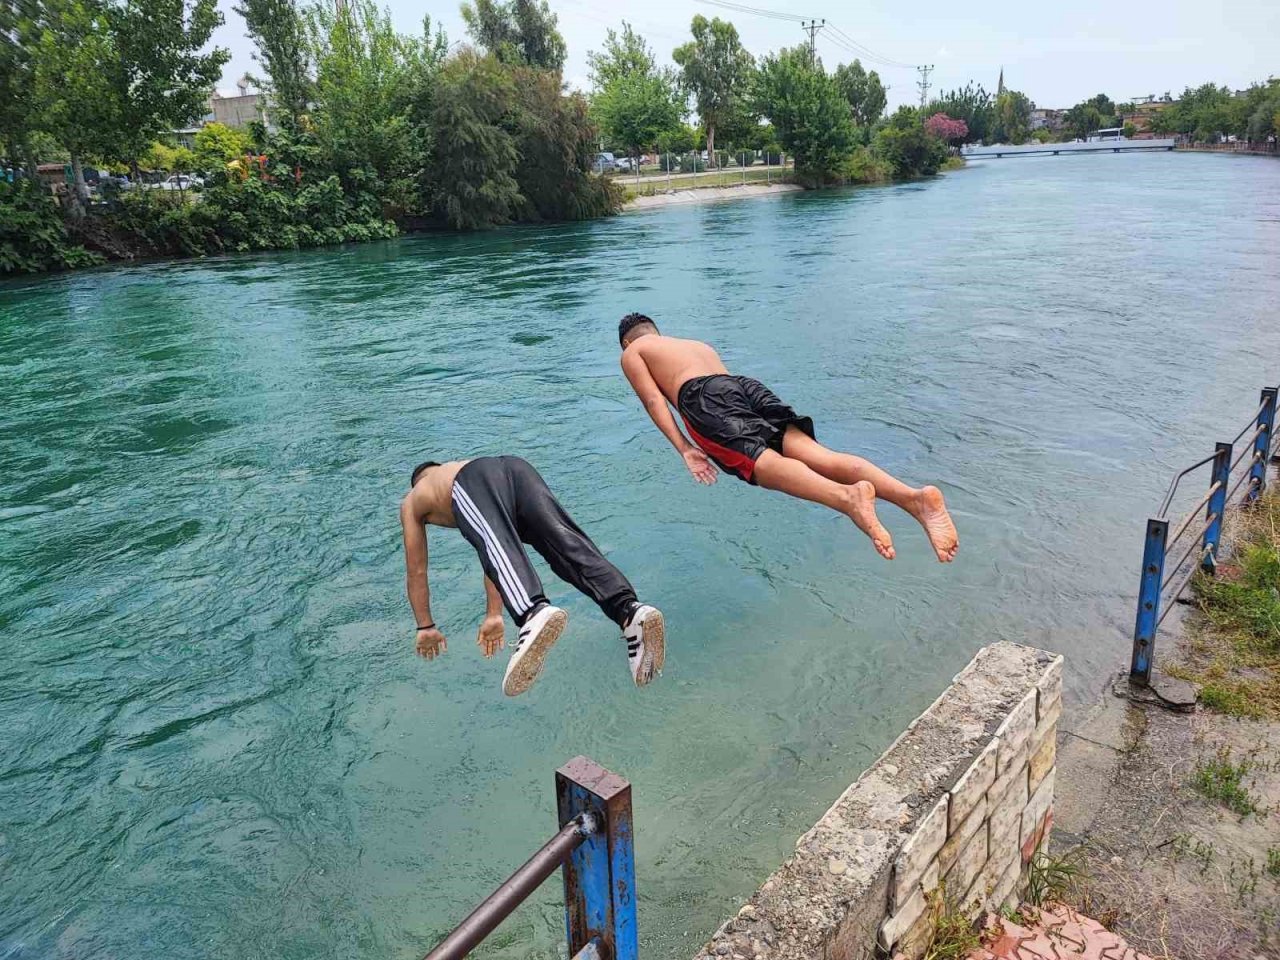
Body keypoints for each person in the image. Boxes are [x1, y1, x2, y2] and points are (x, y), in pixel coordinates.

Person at [617, 313, 959, 563]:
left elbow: (653, 400)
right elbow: (721, 385)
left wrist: (685, 449)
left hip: (704, 398)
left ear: (629, 340)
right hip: (742, 385)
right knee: (819, 456)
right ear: (658, 331)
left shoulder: (633, 351)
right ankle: (914, 499)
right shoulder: (694, 345)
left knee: (764, 465)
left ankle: (846, 498)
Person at [400, 456, 665, 696]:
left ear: (418, 480)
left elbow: (417, 570)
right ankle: (629, 611)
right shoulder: (453, 468)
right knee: (565, 547)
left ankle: (532, 612)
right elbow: (493, 553)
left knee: (505, 554)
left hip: (476, 479)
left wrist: (426, 626)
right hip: (517, 468)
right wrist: (493, 614)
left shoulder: (414, 498)